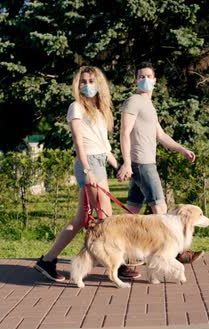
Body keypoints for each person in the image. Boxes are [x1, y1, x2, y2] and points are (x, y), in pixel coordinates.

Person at [34, 66, 141, 282]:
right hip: (89, 164)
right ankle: (118, 265)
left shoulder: (100, 110)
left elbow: (102, 145)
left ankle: (47, 260)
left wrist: (117, 165)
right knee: (107, 218)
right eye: (83, 82)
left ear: (99, 84)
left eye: (91, 81)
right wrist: (87, 170)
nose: (87, 86)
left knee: (82, 219)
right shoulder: (76, 108)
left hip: (98, 161)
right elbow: (79, 143)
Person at [116, 62, 204, 264]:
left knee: (131, 212)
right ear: (135, 80)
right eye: (141, 76)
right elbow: (124, 133)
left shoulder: (149, 105)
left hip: (144, 163)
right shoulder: (133, 101)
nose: (145, 79)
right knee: (161, 210)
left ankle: (126, 255)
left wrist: (181, 149)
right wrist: (127, 163)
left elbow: (161, 135)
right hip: (142, 164)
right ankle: (178, 253)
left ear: (155, 81)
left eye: (148, 76)